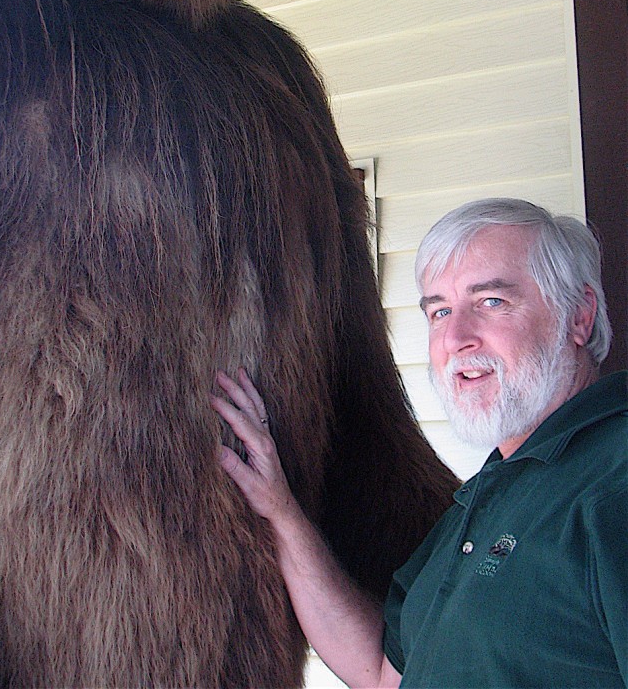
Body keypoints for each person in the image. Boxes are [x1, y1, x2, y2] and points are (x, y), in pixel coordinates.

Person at [211, 198, 627, 688]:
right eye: (440, 311)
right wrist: (281, 510)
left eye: (491, 302)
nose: (456, 337)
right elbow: (382, 676)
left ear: (579, 316)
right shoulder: (484, 498)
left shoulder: (614, 482)